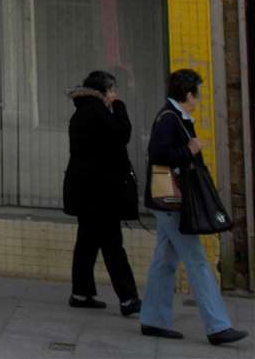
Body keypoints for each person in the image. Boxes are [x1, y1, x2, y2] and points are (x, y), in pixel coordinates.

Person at [140, 68, 248, 347]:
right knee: (197, 261)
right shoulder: (170, 119)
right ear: (188, 94)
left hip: (170, 202)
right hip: (173, 203)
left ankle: (153, 319)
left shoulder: (177, 117)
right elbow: (157, 154)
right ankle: (218, 326)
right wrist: (190, 150)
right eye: (197, 93)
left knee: (164, 262)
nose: (199, 99)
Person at [62, 69, 141, 314]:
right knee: (112, 244)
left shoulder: (80, 114)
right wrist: (120, 107)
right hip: (101, 193)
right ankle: (128, 298)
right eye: (112, 91)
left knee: (86, 242)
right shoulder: (97, 112)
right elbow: (122, 133)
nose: (114, 95)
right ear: (103, 92)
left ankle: (81, 293)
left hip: (85, 191)